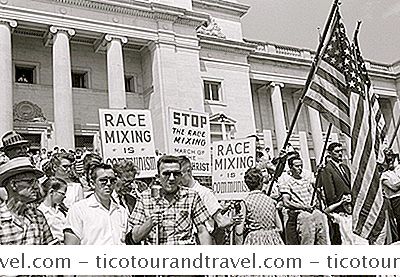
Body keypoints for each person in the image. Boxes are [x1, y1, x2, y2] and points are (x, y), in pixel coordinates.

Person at [129, 155, 212, 245]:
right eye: (166, 174)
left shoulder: (191, 196)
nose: (172, 178)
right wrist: (150, 223)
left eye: (176, 174)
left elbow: (202, 231)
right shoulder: (145, 198)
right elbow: (135, 237)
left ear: (180, 175)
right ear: (158, 176)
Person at [178, 156, 242, 240]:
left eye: (180, 174)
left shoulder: (204, 193)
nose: (176, 178)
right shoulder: (178, 194)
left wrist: (232, 221)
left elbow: (220, 221)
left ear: (189, 171)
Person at [64, 163, 129, 245]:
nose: (108, 184)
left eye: (112, 180)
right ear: (92, 183)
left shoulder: (121, 211)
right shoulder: (79, 209)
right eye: (103, 180)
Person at [0, 157, 56, 244]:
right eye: (30, 182)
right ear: (13, 184)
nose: (36, 187)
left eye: (36, 182)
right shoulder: (2, 219)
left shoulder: (38, 216)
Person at [279, 155, 330, 245]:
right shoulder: (287, 183)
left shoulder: (307, 180)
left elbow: (319, 184)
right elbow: (286, 202)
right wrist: (303, 207)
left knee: (322, 231)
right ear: (291, 167)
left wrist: (321, 173)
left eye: (301, 166)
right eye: (297, 166)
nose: (300, 168)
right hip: (300, 214)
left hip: (313, 211)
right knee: (307, 239)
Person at [235, 167, 284, 245]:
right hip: (273, 238)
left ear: (246, 184)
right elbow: (280, 228)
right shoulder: (272, 201)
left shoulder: (245, 202)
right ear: (261, 182)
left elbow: (239, 231)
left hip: (254, 239)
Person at [317, 142, 351, 244]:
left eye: (341, 151)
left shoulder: (345, 167)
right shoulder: (327, 169)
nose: (340, 154)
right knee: (339, 236)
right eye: (337, 152)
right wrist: (339, 203)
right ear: (330, 153)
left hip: (349, 206)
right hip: (338, 208)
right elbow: (330, 193)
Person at [37, 177, 68, 243]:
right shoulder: (41, 212)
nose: (64, 197)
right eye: (62, 194)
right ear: (51, 192)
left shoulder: (61, 210)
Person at [380, 149, 400, 242]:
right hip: (395, 200)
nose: (390, 162)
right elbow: (394, 187)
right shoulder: (384, 175)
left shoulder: (397, 170)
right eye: (388, 160)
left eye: (392, 159)